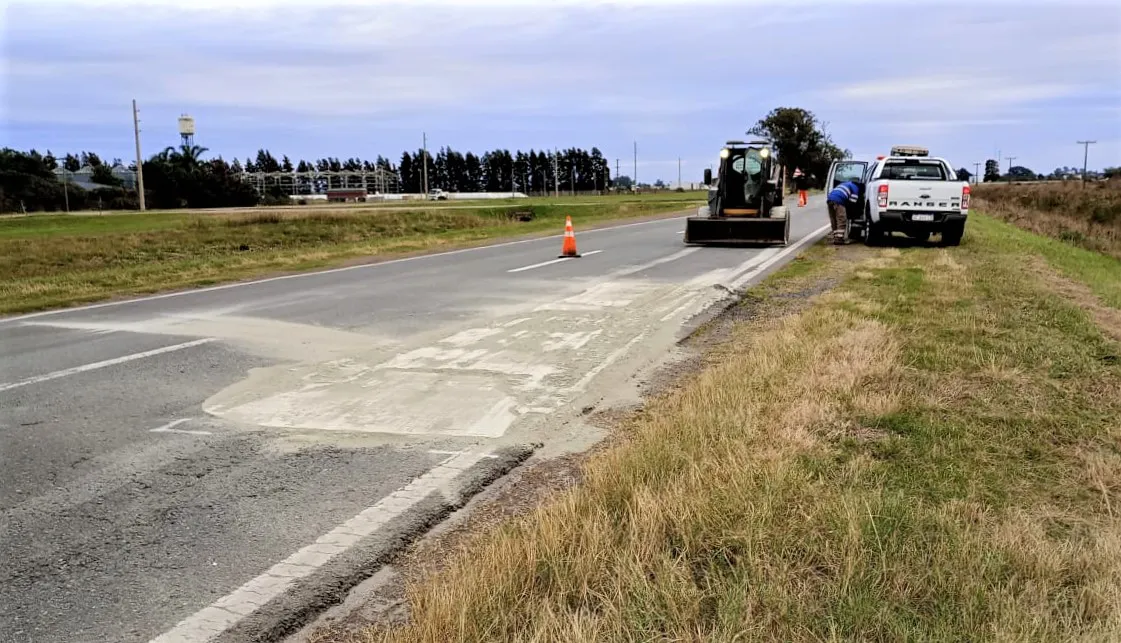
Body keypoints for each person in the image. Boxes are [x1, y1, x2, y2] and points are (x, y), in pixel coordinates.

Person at [826, 179, 860, 244]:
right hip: (838, 201)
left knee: (834, 219)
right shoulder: (855, 187)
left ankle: (836, 237)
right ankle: (839, 239)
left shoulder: (844, 184)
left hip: (830, 199)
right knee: (842, 219)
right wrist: (852, 214)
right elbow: (852, 203)